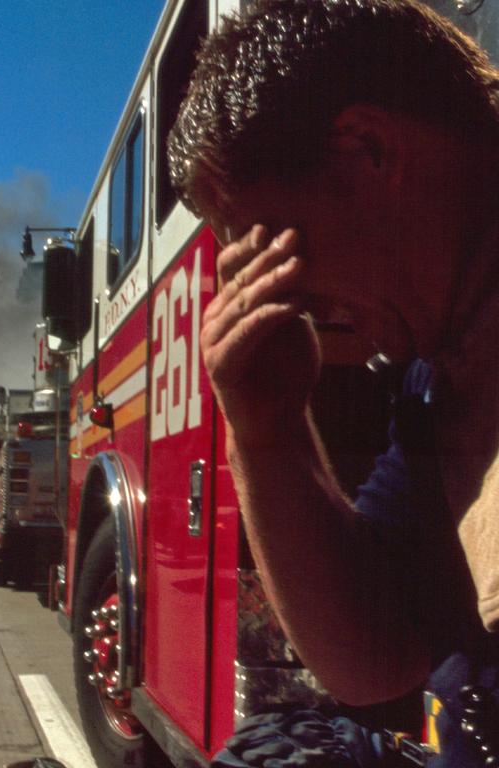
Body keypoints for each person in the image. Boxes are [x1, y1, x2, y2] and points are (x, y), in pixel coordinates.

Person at [167, 0, 499, 763]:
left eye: (275, 240)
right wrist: (267, 429)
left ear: (368, 150)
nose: (293, 302)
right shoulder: (434, 380)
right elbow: (370, 657)